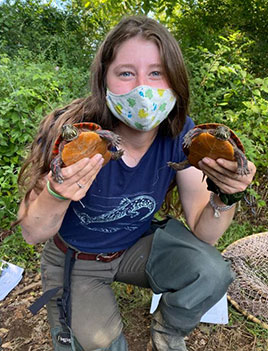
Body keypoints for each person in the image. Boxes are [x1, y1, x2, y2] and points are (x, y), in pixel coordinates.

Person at [17, 15, 256, 351]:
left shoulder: (181, 135)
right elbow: (32, 232)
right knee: (102, 346)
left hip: (133, 246)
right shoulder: (77, 133)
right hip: (78, 258)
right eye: (126, 73)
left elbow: (206, 233)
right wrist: (57, 192)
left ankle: (169, 330)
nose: (144, 88)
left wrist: (227, 194)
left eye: (157, 73)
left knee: (212, 271)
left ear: (175, 80)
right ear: (104, 80)